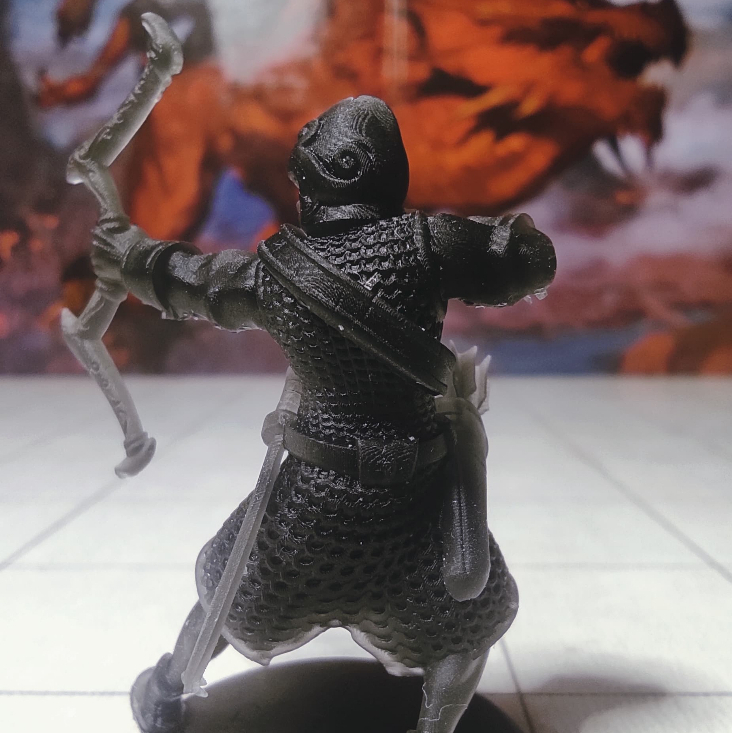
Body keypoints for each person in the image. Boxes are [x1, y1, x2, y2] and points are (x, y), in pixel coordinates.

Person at [91, 95, 556, 733]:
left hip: (314, 499)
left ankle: (167, 689)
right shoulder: (430, 245)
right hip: (414, 496)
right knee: (462, 631)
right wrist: (502, 244)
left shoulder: (274, 273)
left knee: (229, 596)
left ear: (322, 179)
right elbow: (528, 262)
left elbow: (190, 281)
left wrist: (127, 254)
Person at [38, 0, 230, 241]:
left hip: (177, 112)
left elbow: (89, 84)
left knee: (157, 220)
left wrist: (56, 93)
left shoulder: (137, 14)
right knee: (185, 207)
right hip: (213, 99)